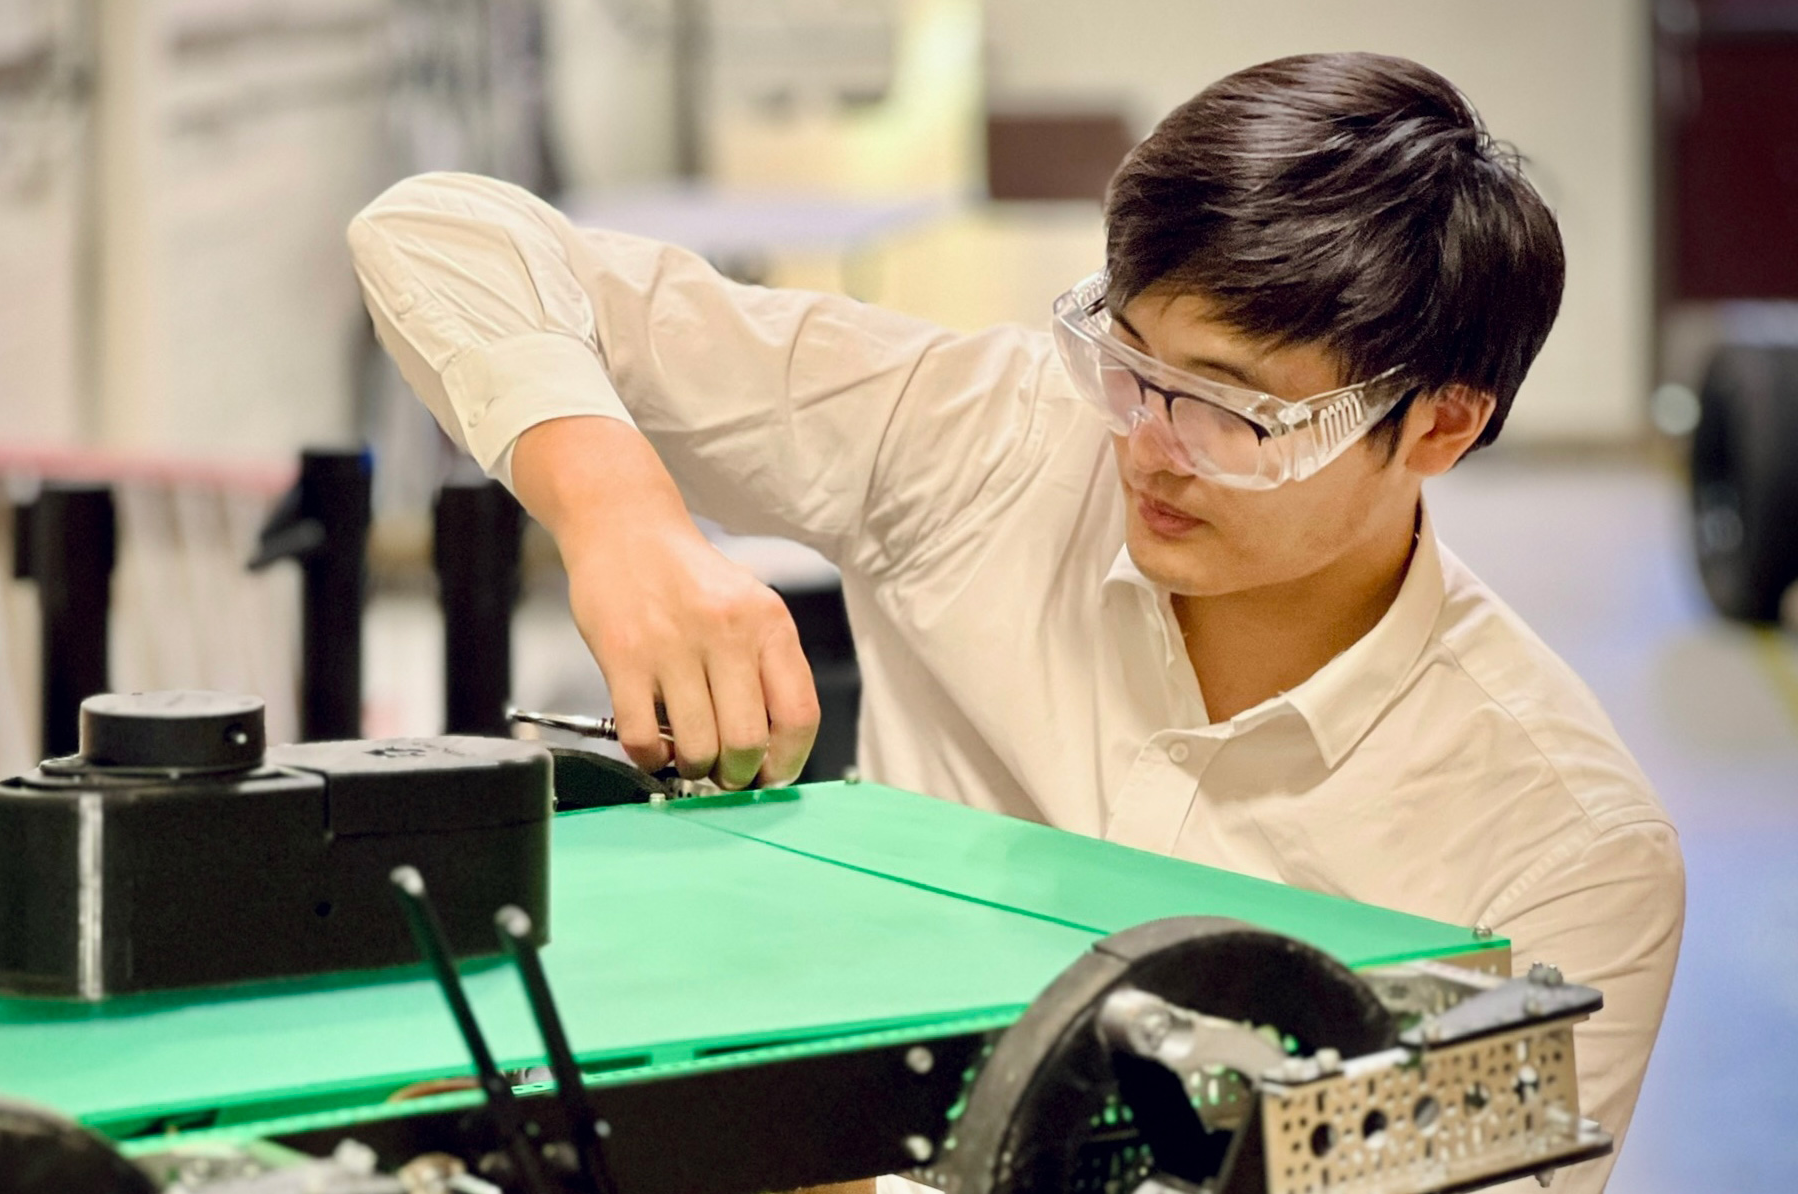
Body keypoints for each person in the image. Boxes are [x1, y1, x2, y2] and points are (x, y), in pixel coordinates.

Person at [348, 51, 1683, 1192]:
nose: (1148, 447)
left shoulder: (1559, 852)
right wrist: (622, 518)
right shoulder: (991, 440)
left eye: (1228, 406)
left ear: (1441, 422)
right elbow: (442, 235)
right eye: (1129, 359)